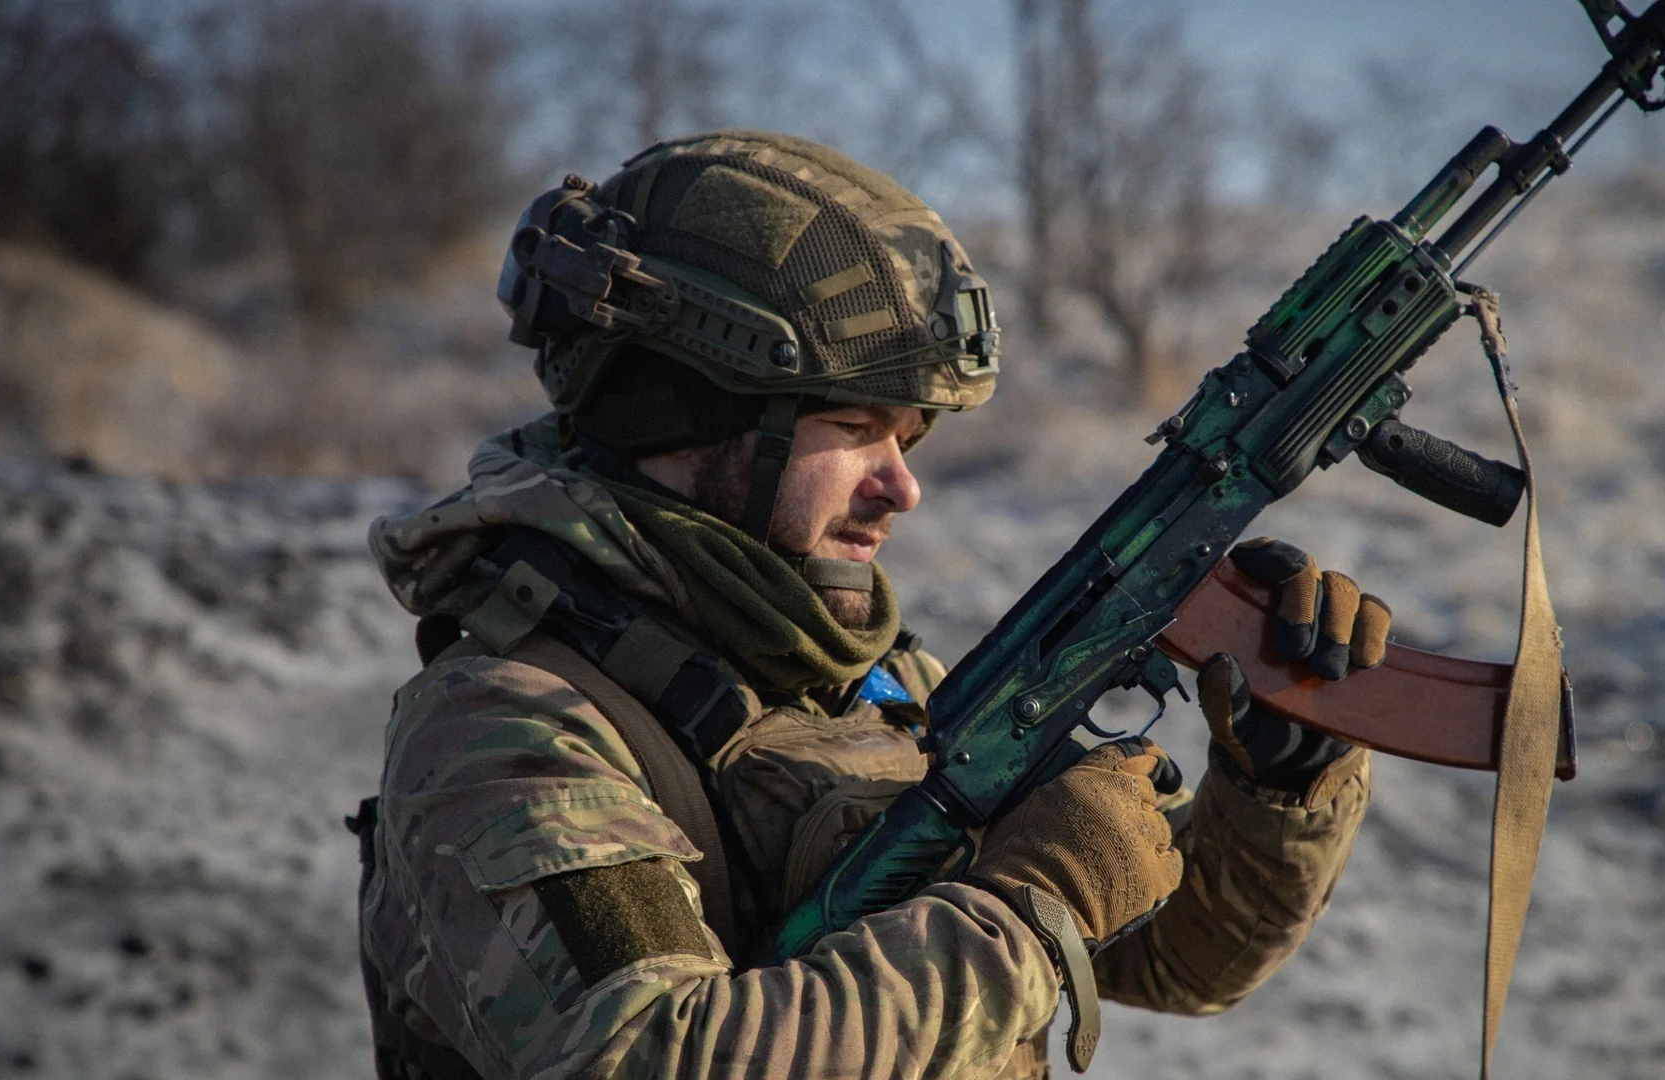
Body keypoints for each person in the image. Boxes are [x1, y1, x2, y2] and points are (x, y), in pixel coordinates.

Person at [355, 130, 1388, 1080]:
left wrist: (1278, 782)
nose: (903, 488)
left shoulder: (862, 682)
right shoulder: (507, 724)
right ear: (681, 413)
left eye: (911, 437)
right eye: (853, 426)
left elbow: (1173, 961)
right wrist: (1023, 917)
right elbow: (652, 1056)